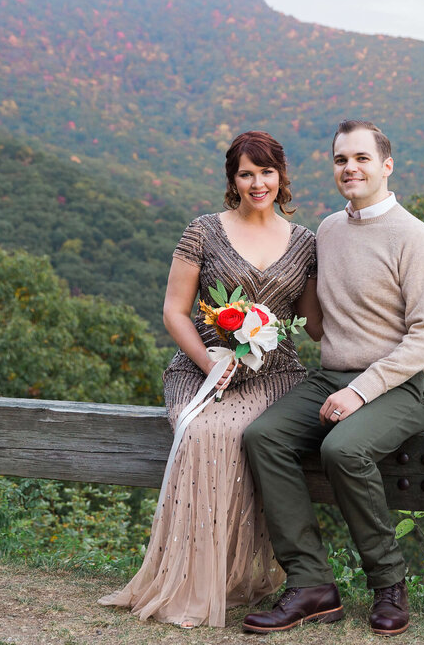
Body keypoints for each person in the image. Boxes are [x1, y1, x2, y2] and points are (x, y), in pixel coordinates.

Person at [101, 131, 322, 628]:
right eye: (246, 173)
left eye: (266, 172)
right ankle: (191, 581)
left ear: (282, 176)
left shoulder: (306, 242)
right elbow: (174, 312)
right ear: (233, 179)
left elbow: (312, 324)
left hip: (276, 373)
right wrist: (210, 362)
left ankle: (232, 574)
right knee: (204, 433)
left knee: (242, 435)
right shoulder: (202, 231)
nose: (257, 182)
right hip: (203, 369)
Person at [242, 120, 424, 637]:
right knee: (263, 438)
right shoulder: (329, 231)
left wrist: (360, 391)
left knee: (343, 450)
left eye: (361, 158)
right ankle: (311, 584)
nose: (350, 168)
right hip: (333, 374)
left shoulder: (414, 238)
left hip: (410, 382)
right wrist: (245, 324)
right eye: (340, 160)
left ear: (386, 166)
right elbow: (311, 314)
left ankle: (389, 583)